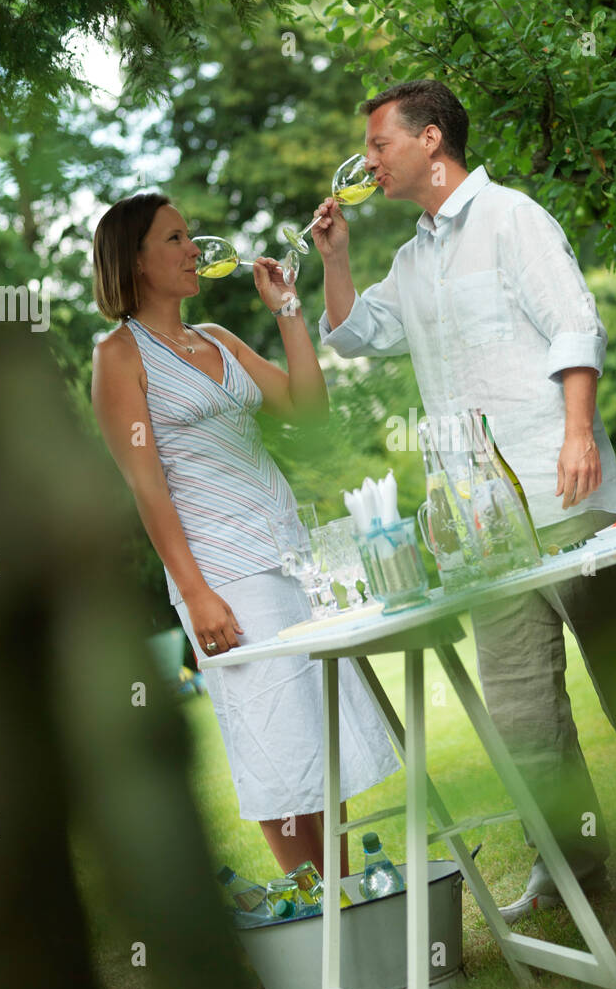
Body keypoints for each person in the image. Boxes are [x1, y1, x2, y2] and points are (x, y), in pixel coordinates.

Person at [314, 80, 616, 920]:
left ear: (431, 140)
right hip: (478, 524)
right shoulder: (409, 261)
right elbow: (353, 336)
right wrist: (333, 258)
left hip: (559, 485)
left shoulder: (513, 217)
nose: (367, 162)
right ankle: (572, 867)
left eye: (379, 144)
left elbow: (574, 322)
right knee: (520, 706)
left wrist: (579, 432)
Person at [90, 193, 400, 876]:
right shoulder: (118, 357)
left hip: (290, 557)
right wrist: (196, 593)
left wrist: (287, 308)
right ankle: (314, 908)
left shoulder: (217, 340)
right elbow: (147, 486)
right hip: (223, 573)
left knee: (318, 735)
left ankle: (349, 901)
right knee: (274, 743)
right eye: (174, 239)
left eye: (189, 235)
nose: (193, 248)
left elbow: (307, 411)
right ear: (134, 261)